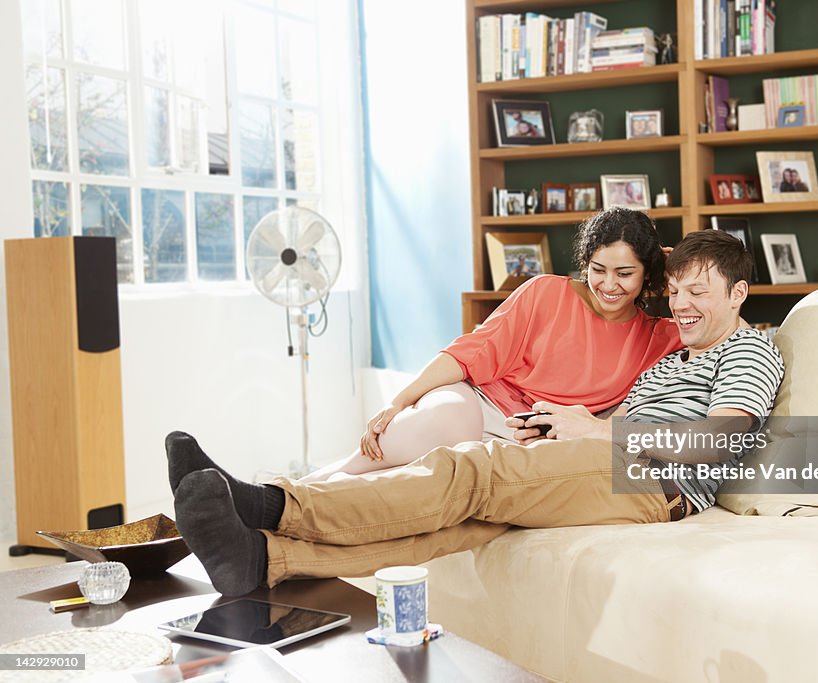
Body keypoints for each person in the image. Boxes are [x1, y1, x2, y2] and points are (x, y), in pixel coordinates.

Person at [168, 230, 785, 596]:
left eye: (698, 292)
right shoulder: (672, 351)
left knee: (471, 471)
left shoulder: (747, 348)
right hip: (612, 464)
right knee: (455, 531)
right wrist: (555, 425)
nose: (681, 303)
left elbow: (721, 441)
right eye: (675, 290)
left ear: (738, 294)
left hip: (651, 480)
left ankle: (270, 502)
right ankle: (261, 562)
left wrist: (597, 429)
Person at [303, 208, 682, 479]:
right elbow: (472, 351)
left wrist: (678, 273)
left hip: (532, 437)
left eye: (625, 273)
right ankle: (296, 492)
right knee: (384, 455)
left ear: (648, 274)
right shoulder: (546, 292)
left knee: (427, 473)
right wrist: (397, 401)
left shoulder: (660, 335)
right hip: (481, 404)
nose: (609, 284)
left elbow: (727, 326)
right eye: (598, 270)